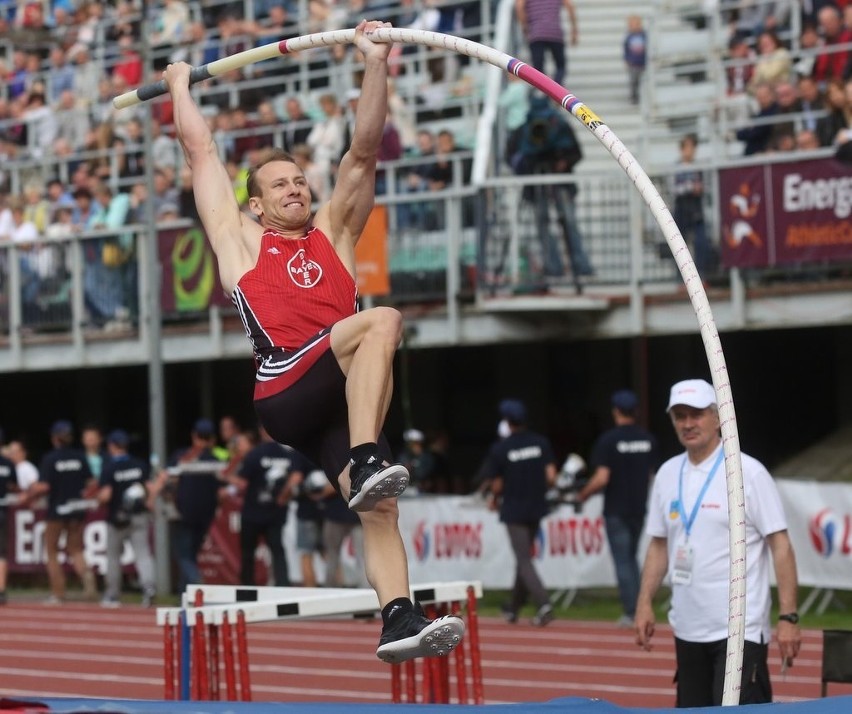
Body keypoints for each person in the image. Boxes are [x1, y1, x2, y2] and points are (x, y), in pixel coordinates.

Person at [163, 19, 464, 663]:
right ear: (254, 205)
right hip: (286, 387)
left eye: (300, 180)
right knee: (381, 322)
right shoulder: (239, 242)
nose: (295, 189)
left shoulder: (336, 232)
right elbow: (203, 157)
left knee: (379, 509)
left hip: (344, 395)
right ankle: (367, 458)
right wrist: (180, 87)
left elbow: (362, 151)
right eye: (279, 184)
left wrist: (375, 63)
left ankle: (398, 617)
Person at [634, 379, 801, 707]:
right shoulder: (668, 474)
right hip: (687, 626)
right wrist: (644, 602)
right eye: (679, 416)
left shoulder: (747, 472)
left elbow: (780, 545)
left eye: (696, 414)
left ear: (718, 417)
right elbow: (658, 544)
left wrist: (788, 617)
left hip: (740, 629)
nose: (687, 424)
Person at [577, 389, 659, 627]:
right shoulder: (648, 439)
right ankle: (641, 604)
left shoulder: (608, 441)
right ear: (636, 411)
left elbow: (602, 477)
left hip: (616, 508)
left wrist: (583, 494)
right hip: (638, 506)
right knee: (632, 559)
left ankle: (632, 610)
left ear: (615, 412)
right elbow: (653, 475)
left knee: (624, 561)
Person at [481, 399, 557, 627]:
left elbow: (496, 485)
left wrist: (494, 499)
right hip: (536, 506)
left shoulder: (501, 448)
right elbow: (551, 476)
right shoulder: (541, 443)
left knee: (523, 559)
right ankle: (513, 608)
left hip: (514, 509)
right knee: (523, 559)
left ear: (507, 421)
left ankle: (543, 603)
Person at [22, 420, 97, 604]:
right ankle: (88, 581)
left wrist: (29, 495)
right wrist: (83, 497)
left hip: (56, 510)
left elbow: (44, 486)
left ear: (55, 439)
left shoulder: (50, 458)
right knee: (76, 549)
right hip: (77, 509)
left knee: (52, 551)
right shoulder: (80, 457)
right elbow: (92, 483)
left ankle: (58, 592)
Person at [163, 419, 228, 594]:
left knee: (184, 556)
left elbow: (168, 480)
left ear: (194, 435)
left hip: (183, 512)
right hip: (206, 513)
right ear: (212, 438)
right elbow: (222, 490)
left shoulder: (182, 455)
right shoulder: (216, 458)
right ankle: (184, 597)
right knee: (191, 555)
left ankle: (197, 582)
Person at [97, 429, 158, 608]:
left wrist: (98, 500)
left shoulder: (109, 468)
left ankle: (113, 595)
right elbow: (150, 488)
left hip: (117, 518)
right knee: (143, 555)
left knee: (113, 557)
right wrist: (149, 502)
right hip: (139, 516)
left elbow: (106, 496)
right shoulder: (139, 464)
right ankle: (149, 589)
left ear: (112, 446)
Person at [235, 426, 302, 586]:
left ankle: (248, 588)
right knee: (278, 551)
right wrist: (283, 495)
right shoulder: (287, 454)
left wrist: (228, 479)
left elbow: (242, 484)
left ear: (261, 432)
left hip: (253, 512)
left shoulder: (254, 454)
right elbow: (296, 478)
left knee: (247, 553)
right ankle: (283, 586)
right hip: (276, 512)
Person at [671, 134, 712, 278]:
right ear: (682, 149)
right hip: (681, 208)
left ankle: (701, 276)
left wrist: (698, 189)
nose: (691, 150)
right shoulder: (676, 167)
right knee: (679, 245)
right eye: (688, 147)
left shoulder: (698, 167)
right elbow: (674, 189)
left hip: (695, 208)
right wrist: (691, 188)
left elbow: (706, 186)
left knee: (701, 243)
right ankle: (680, 279)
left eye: (692, 147)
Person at [515, 0, 578, 87]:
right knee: (560, 66)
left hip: (536, 33)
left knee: (538, 70)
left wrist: (525, 27)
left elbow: (519, 7)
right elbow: (570, 7)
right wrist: (574, 30)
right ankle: (556, 87)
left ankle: (547, 90)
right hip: (555, 33)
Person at [0, 430, 17, 605]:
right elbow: (14, 487)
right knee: (1, 553)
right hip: (2, 511)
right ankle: (1, 590)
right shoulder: (7, 464)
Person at [623, 15, 647, 105]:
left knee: (643, 81)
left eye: (636, 24)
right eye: (632, 25)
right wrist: (626, 60)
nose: (634, 27)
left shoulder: (644, 36)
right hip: (633, 64)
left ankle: (643, 96)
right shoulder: (629, 37)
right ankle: (634, 97)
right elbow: (626, 49)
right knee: (633, 81)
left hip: (642, 63)